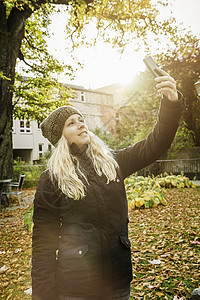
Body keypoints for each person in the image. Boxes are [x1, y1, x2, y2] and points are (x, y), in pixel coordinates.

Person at [32, 69, 184, 300]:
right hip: (76, 287)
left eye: (81, 120)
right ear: (60, 137)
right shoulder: (52, 179)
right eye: (71, 123)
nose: (81, 124)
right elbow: (43, 243)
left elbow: (155, 144)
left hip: (117, 281)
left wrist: (171, 103)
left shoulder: (113, 162)